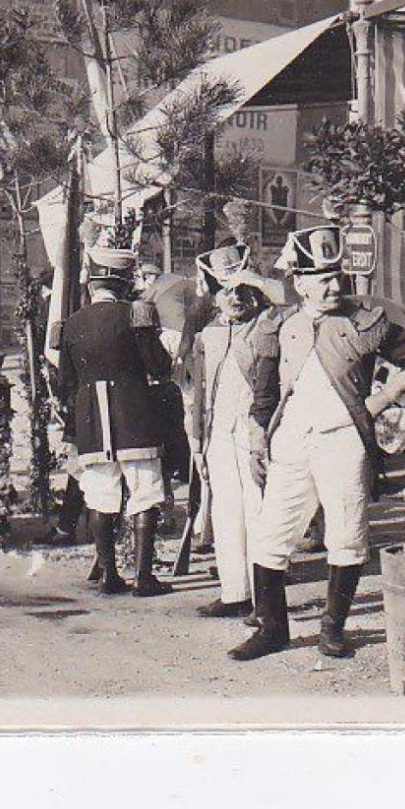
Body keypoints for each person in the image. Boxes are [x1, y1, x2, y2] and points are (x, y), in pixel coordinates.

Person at [230, 225, 405, 662]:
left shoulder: (365, 321)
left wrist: (383, 398)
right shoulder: (281, 324)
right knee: (270, 535)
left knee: (346, 534)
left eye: (337, 275)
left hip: (345, 442)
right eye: (322, 278)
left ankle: (332, 629)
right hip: (291, 443)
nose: (334, 285)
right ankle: (272, 629)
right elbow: (266, 390)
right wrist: (256, 436)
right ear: (298, 282)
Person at [52, 213, 176, 597]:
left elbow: (64, 382)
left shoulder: (70, 325)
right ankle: (143, 577)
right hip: (134, 415)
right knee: (145, 490)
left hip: (91, 419)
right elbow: (159, 366)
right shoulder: (136, 315)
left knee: (101, 495)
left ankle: (108, 575)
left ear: (92, 282)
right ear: (124, 281)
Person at [185, 242, 283, 618]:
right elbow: (199, 392)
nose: (235, 298)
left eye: (241, 289)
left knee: (258, 512)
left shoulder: (266, 327)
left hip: (253, 433)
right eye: (226, 291)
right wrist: (197, 441)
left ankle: (264, 601)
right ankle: (235, 592)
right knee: (225, 513)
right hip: (217, 435)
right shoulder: (206, 335)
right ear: (213, 295)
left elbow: (284, 303)